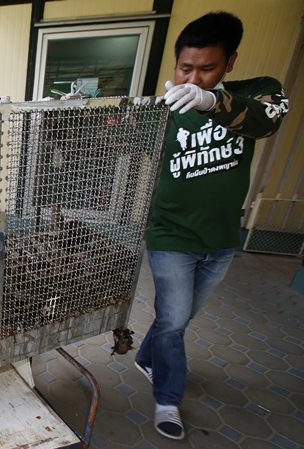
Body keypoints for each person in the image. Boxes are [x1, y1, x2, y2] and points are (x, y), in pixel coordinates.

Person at [134, 12, 288, 440]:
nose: (193, 79)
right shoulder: (163, 108)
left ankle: (148, 358)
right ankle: (168, 399)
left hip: (221, 238)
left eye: (207, 69)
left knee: (175, 320)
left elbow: (268, 121)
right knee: (175, 319)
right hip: (169, 235)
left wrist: (213, 103)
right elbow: (121, 141)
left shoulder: (257, 92)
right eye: (185, 68)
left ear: (230, 63)